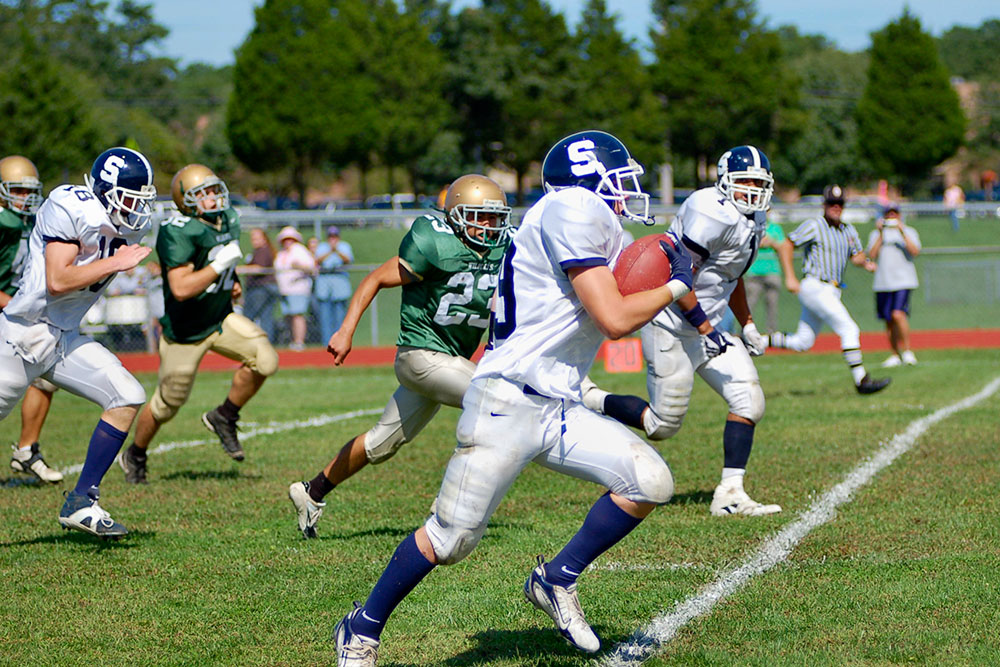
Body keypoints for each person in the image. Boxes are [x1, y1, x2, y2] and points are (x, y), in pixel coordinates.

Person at [331, 130, 694, 665]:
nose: (628, 190)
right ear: (590, 179)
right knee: (451, 539)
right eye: (620, 178)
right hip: (506, 402)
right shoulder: (572, 207)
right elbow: (614, 319)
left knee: (649, 482)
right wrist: (676, 286)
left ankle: (555, 579)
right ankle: (361, 626)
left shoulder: (588, 221)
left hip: (556, 404)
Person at [288, 174, 512, 539]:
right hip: (420, 356)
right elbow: (374, 279)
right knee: (498, 403)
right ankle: (448, 506)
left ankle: (312, 492)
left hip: (449, 362)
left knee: (381, 443)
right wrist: (346, 331)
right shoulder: (434, 242)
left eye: (495, 217)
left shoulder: (504, 250)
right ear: (456, 216)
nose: (489, 226)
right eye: (479, 216)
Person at [585, 145, 784, 517]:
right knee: (661, 426)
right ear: (725, 183)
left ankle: (730, 494)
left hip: (709, 329)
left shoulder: (752, 220)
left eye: (759, 182)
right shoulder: (710, 212)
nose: (753, 190)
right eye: (745, 183)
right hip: (672, 326)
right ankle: (591, 398)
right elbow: (679, 279)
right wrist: (707, 328)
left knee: (749, 401)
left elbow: (732, 276)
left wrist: (749, 323)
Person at [0, 146, 157, 536]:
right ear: (106, 190)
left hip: (62, 337)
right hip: (22, 336)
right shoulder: (72, 205)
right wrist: (115, 262)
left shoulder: (125, 224)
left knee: (126, 394)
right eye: (130, 197)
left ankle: (81, 501)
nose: (137, 207)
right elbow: (58, 280)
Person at [118, 164, 278, 483]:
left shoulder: (229, 218)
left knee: (265, 360)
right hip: (185, 332)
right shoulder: (177, 229)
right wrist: (220, 267)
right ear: (186, 201)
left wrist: (231, 283)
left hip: (219, 319)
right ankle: (135, 452)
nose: (213, 197)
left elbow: (221, 268)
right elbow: (180, 288)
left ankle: (224, 416)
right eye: (202, 194)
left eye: (214, 189)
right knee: (166, 405)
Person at [767, 184, 891, 394]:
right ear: (824, 205)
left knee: (802, 342)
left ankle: (754, 342)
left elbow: (856, 256)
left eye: (839, 203)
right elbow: (787, 244)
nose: (836, 207)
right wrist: (790, 277)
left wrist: (866, 262)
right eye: (832, 203)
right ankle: (861, 380)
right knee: (849, 329)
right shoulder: (815, 225)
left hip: (832, 289)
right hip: (815, 285)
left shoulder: (848, 229)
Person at [0, 155, 64, 483]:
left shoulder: (30, 221)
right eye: (17, 191)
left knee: (45, 376)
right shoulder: (3, 222)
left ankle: (26, 451)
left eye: (30, 191)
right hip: (8, 309)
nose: (25, 198)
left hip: (15, 313)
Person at [867, 204, 921, 367]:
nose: (891, 217)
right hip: (883, 282)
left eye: (894, 214)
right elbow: (872, 254)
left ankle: (907, 351)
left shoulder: (909, 231)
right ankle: (894, 354)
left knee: (898, 314)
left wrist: (901, 231)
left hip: (903, 280)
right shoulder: (876, 234)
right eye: (888, 214)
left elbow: (915, 251)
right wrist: (881, 232)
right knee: (888, 319)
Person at [274, 226, 316, 350]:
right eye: (285, 239)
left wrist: (299, 266)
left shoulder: (299, 250)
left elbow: (311, 267)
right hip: (284, 289)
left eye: (290, 239)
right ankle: (292, 339)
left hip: (298, 288)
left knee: (298, 315)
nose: (287, 242)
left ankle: (299, 341)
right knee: (288, 315)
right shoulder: (281, 253)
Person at [312, 225, 354, 344]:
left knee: (340, 317)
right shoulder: (322, 247)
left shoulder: (344, 246)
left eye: (335, 236)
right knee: (325, 318)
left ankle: (340, 342)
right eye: (330, 236)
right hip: (324, 286)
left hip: (340, 285)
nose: (332, 239)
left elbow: (348, 260)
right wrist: (330, 250)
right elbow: (318, 260)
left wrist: (336, 250)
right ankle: (327, 343)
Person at [743, 219, 786, 332]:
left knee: (772, 305)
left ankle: (771, 333)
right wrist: (758, 242)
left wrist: (771, 242)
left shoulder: (775, 228)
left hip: (772, 271)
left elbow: (783, 247)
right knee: (749, 305)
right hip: (754, 272)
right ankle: (746, 332)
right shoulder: (750, 226)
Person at [239, 227, 279, 341]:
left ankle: (247, 342)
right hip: (266, 288)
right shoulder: (262, 251)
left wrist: (241, 269)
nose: (254, 240)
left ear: (264, 239)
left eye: (257, 237)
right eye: (252, 237)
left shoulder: (263, 251)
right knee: (265, 317)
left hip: (260, 288)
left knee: (249, 317)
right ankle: (267, 342)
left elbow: (259, 268)